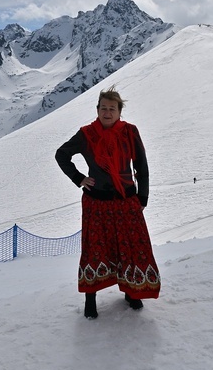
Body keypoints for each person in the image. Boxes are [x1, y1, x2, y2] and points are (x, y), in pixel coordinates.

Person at [55, 87, 161, 319]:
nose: (107, 112)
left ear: (119, 112)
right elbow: (61, 154)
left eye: (112, 108)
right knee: (95, 249)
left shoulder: (130, 132)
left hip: (126, 201)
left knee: (131, 248)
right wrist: (79, 178)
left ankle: (132, 293)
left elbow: (141, 167)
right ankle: (90, 299)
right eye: (103, 108)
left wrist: (142, 197)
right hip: (96, 203)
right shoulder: (86, 134)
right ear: (97, 110)